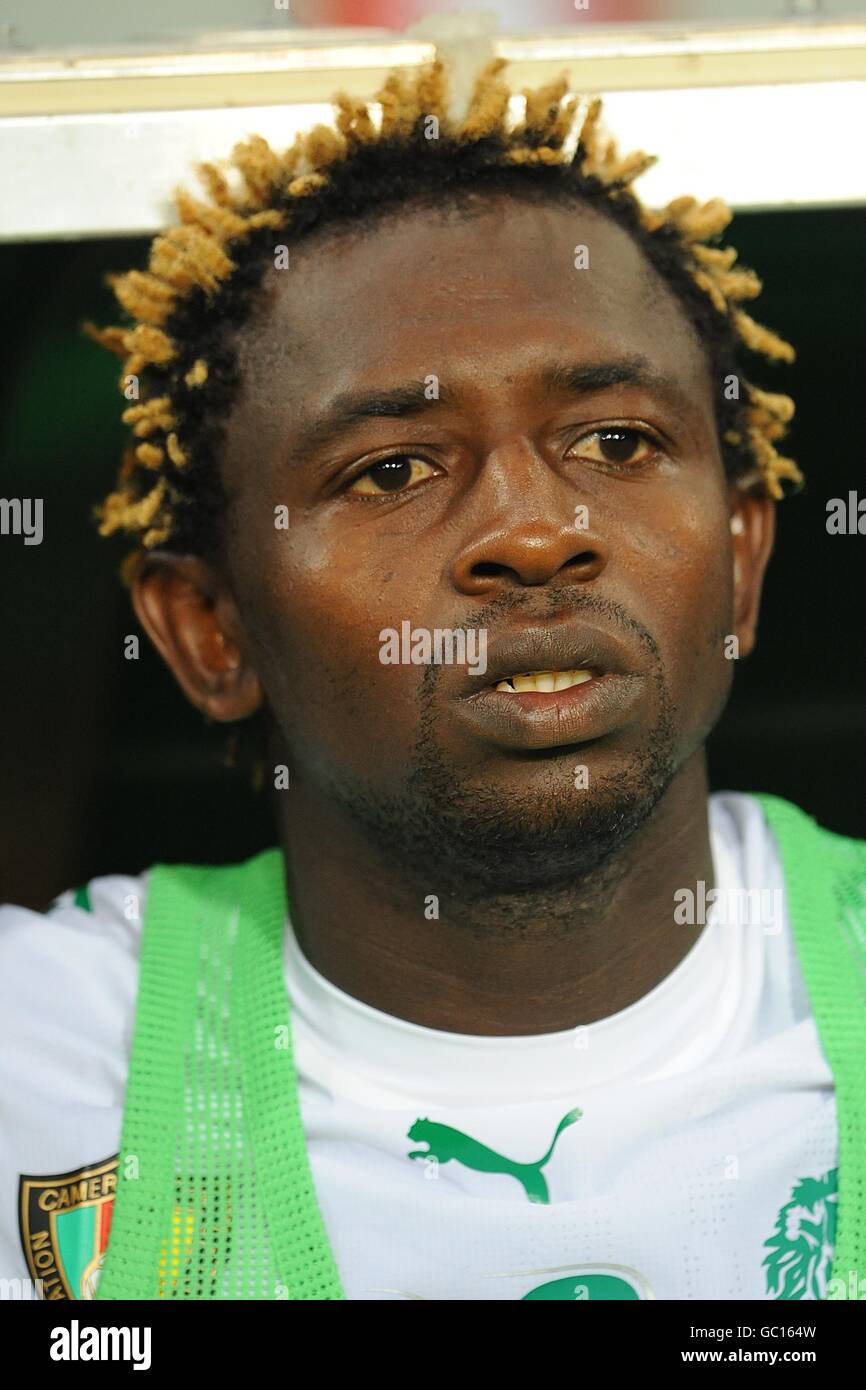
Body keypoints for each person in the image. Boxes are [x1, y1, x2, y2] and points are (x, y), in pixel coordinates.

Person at [2, 58, 863, 1303]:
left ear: (738, 563)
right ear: (209, 630)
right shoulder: (46, 1071)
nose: (531, 530)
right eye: (393, 470)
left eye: (615, 441)